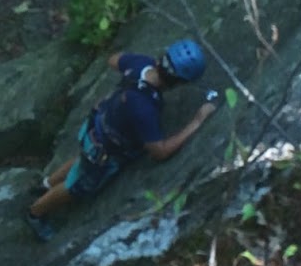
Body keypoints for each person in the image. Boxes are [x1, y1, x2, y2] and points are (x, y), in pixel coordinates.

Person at [26, 39, 220, 241]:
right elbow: (159, 151)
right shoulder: (144, 108)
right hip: (106, 150)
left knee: (82, 158)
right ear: (177, 81)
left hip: (97, 125)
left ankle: (47, 184)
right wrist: (196, 123)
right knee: (76, 186)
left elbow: (113, 60)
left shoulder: (141, 64)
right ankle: (35, 212)